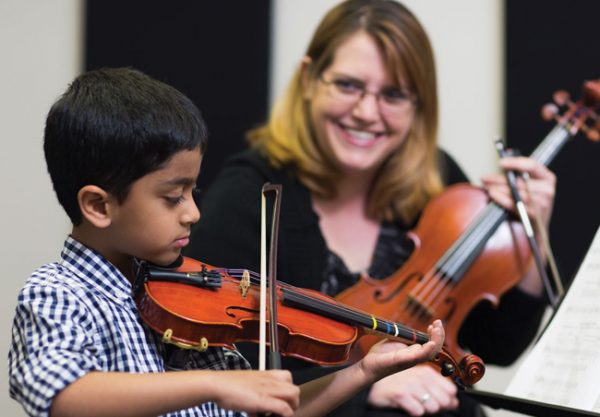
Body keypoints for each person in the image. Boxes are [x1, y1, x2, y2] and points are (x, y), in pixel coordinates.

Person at [185, 1, 556, 416]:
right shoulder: (249, 194)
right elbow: (216, 368)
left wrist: (532, 237)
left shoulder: (437, 181)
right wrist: (363, 386)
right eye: (347, 85)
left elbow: (496, 348)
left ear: (419, 104)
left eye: (394, 95)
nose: (366, 112)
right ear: (309, 79)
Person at [8, 67, 444, 417]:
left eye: (193, 192)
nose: (193, 212)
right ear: (98, 206)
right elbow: (64, 395)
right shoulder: (58, 294)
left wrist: (362, 371)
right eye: (172, 196)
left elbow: (270, 411)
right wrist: (216, 384)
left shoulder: (187, 300)